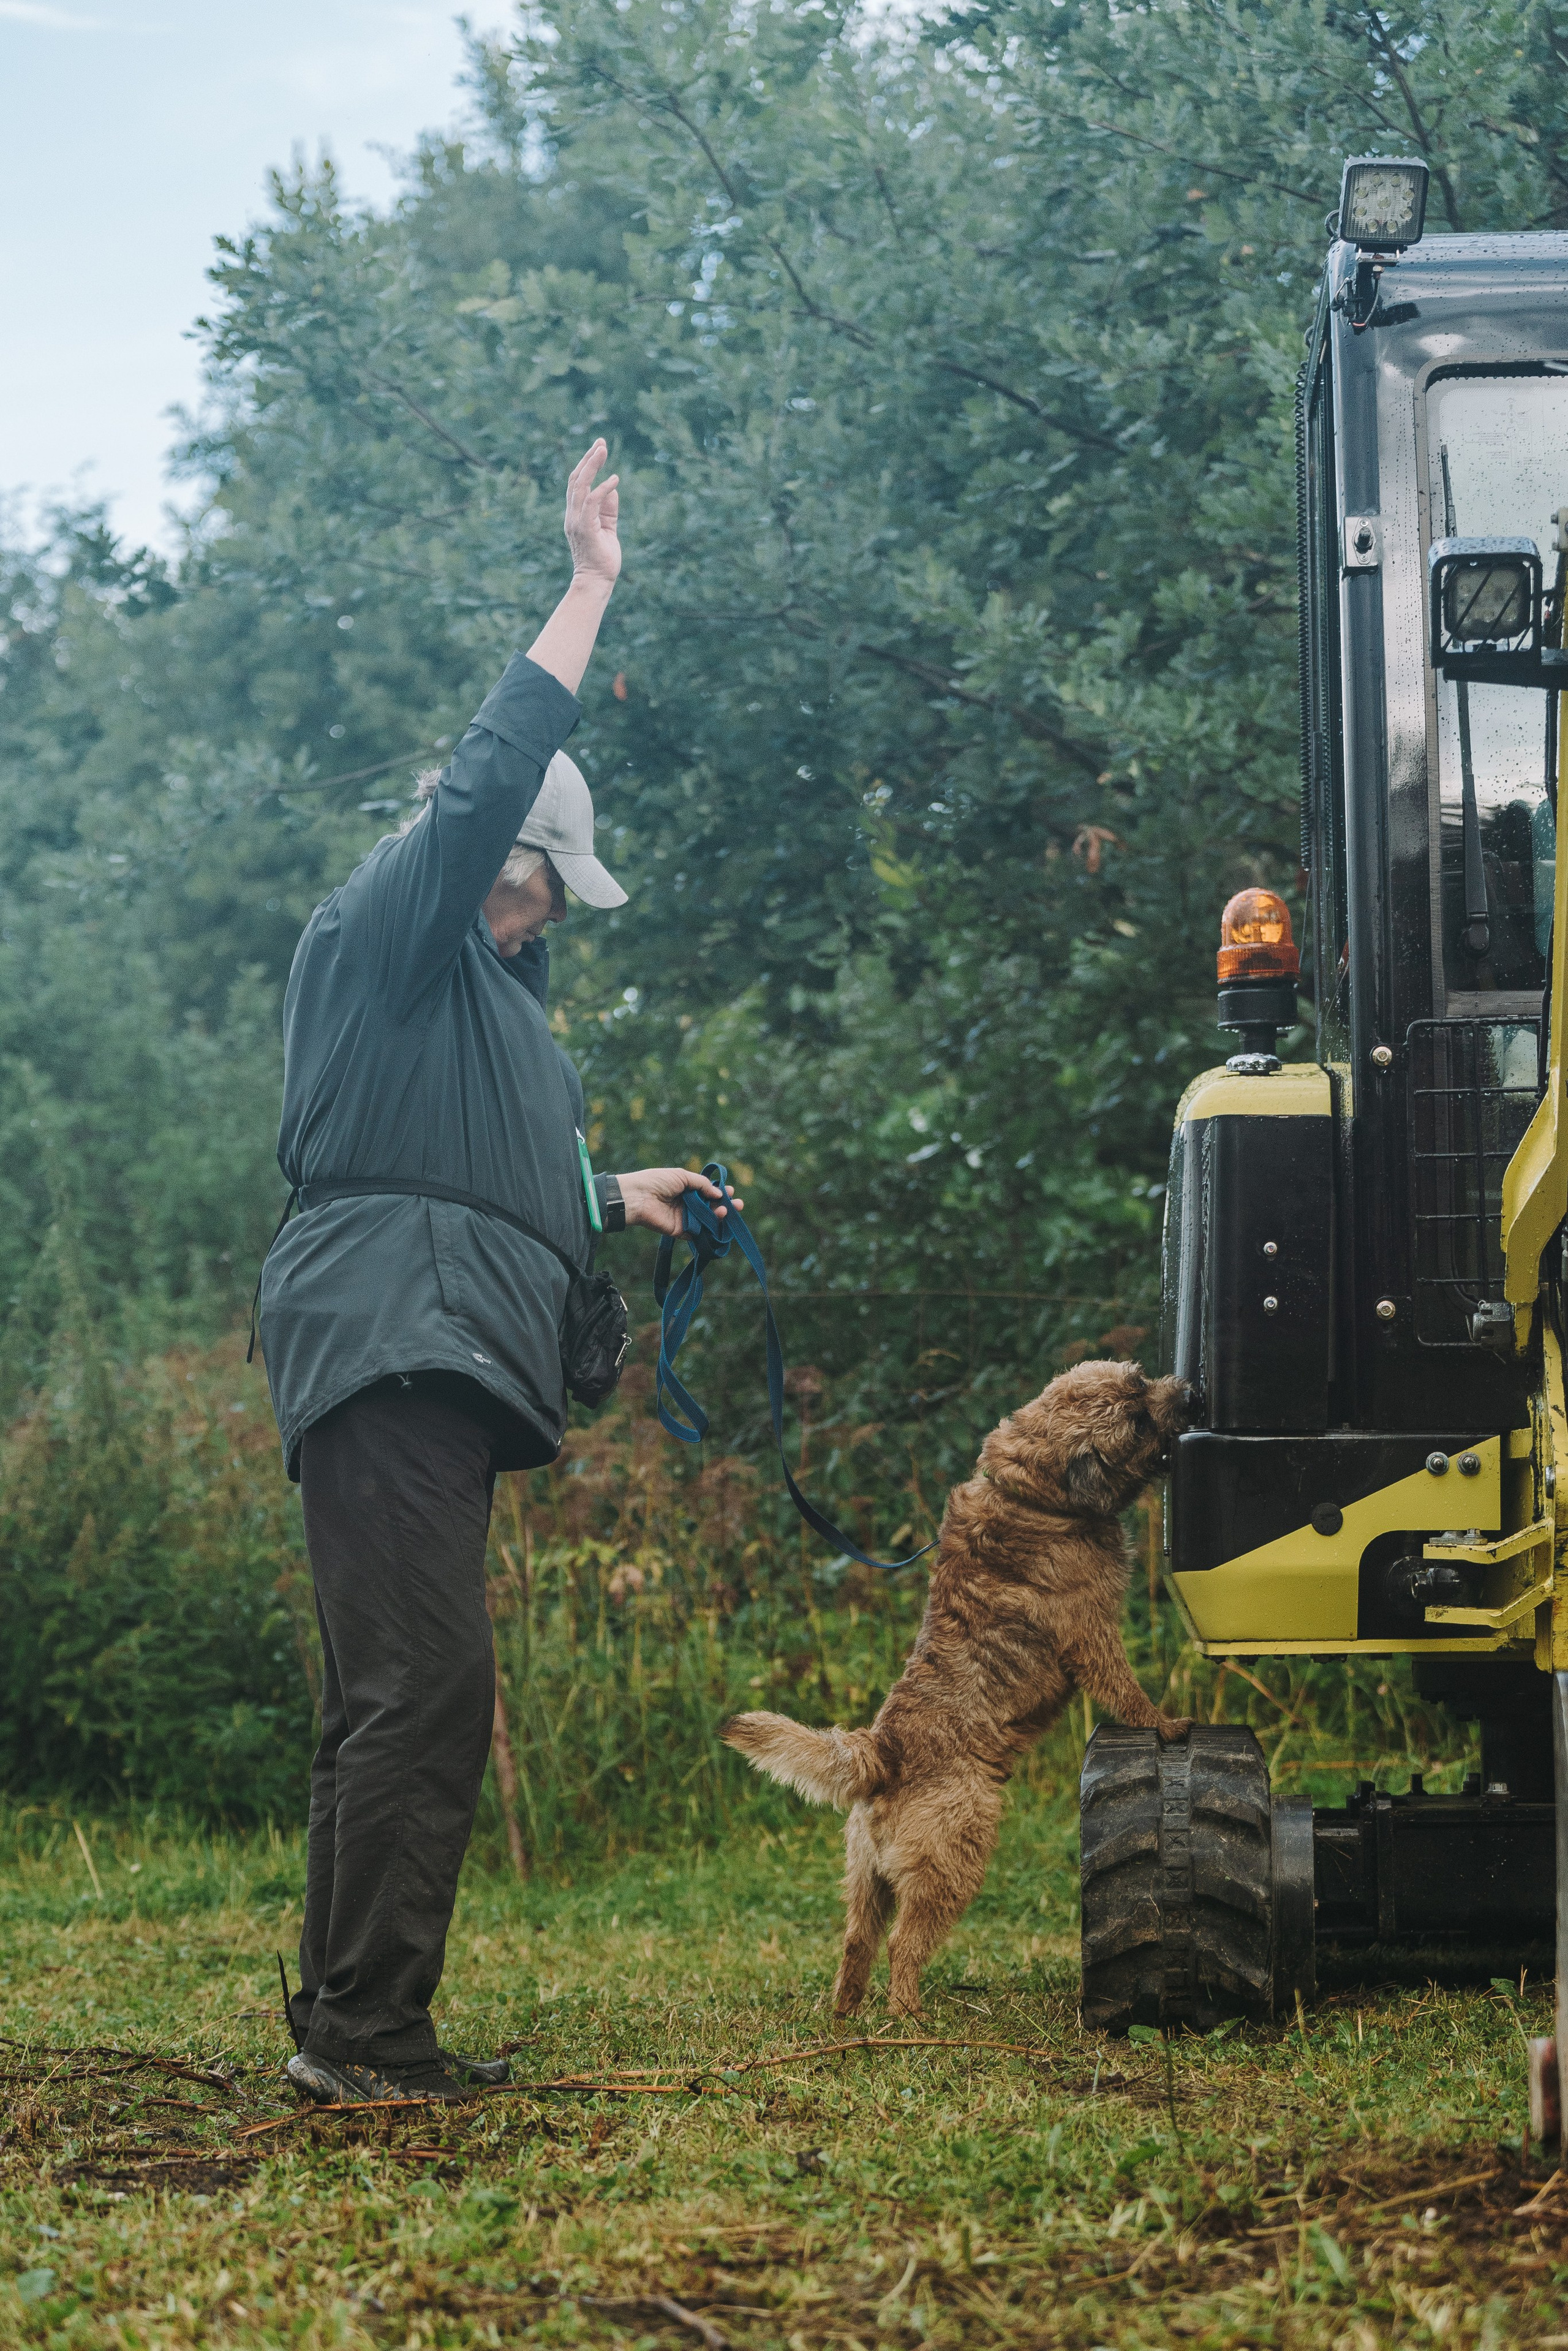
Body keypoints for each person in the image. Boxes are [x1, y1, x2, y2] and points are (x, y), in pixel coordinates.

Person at [257, 442, 736, 2105]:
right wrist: (590, 585)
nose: (550, 919)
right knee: (426, 1686)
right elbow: (482, 782)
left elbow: (474, 1174)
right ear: (504, 864)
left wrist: (613, 1195)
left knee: (397, 1688)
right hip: (391, 1343)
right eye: (543, 890)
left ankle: (348, 2024)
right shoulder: (397, 931)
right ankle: (369, 2043)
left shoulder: (489, 1015)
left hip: (435, 1344)